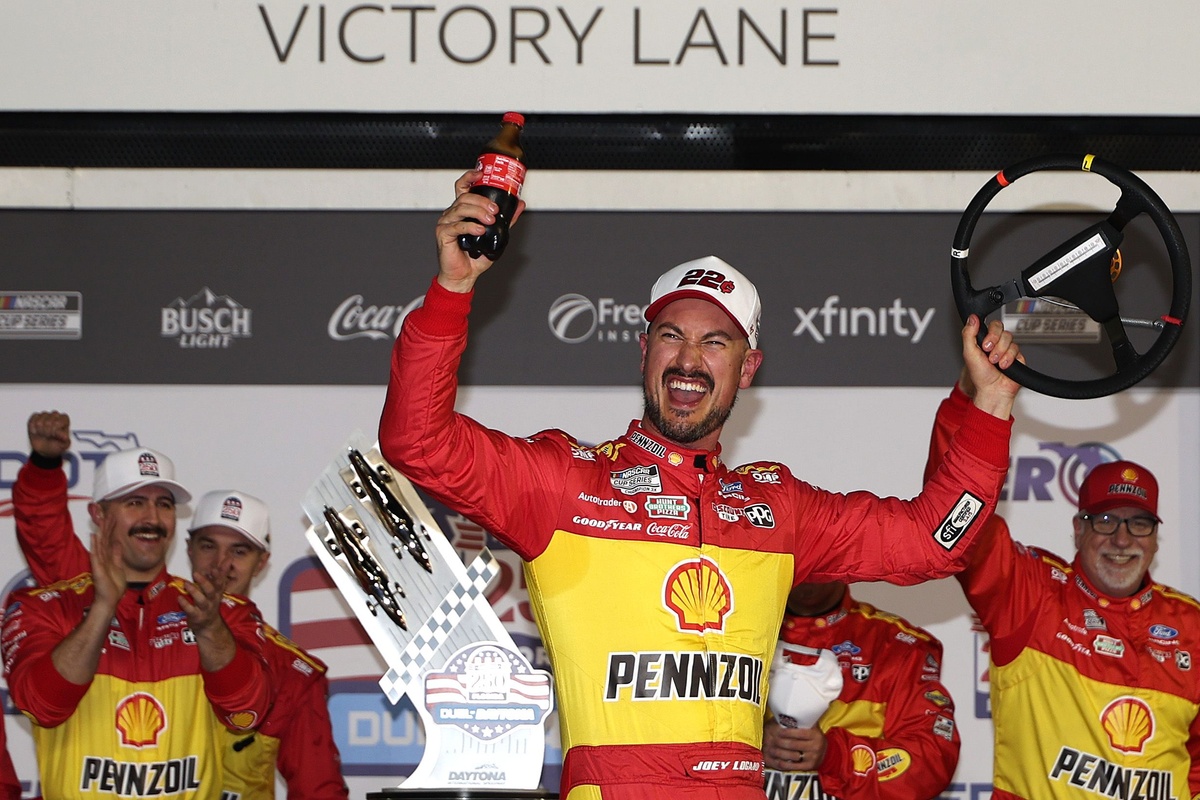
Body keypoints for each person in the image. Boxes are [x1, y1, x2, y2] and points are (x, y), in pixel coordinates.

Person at [376, 172, 1022, 799]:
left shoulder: (778, 508)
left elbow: (935, 542)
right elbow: (417, 442)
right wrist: (452, 289)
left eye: (716, 342)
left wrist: (989, 405)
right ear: (643, 351)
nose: (689, 359)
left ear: (748, 370)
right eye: (672, 336)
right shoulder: (565, 482)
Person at [11, 411, 348, 800]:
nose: (222, 565)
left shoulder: (250, 635)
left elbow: (259, 724)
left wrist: (208, 630)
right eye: (209, 546)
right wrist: (44, 467)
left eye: (239, 550)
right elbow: (46, 537)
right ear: (188, 548)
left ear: (263, 561)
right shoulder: (66, 600)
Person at [927, 369, 1200, 799]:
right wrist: (968, 398)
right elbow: (956, 515)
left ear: (1154, 537)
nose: (1123, 539)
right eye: (1106, 520)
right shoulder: (1031, 591)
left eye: (1139, 523)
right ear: (1078, 529)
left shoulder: (1191, 625)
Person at [760, 581, 959, 799]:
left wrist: (835, 756)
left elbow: (933, 759)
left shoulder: (898, 646)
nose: (810, 569)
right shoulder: (730, 635)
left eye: (820, 550)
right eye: (799, 548)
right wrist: (749, 744)